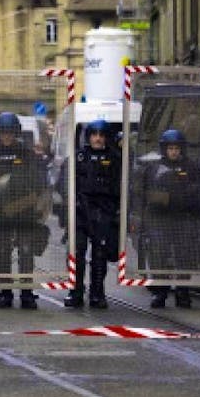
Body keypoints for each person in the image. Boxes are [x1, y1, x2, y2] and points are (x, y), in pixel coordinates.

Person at [0, 112, 50, 309]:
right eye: (3, 133)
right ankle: (5, 292)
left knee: (26, 252)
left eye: (10, 132)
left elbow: (38, 180)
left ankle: (26, 292)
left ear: (16, 133)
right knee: (3, 252)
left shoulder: (26, 154)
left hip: (24, 210)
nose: (7, 137)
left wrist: (35, 204)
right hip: (0, 211)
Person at [134, 129, 200, 309]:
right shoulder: (154, 168)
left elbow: (197, 193)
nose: (173, 152)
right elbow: (147, 194)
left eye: (176, 148)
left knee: (184, 256)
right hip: (160, 220)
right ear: (164, 149)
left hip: (183, 219)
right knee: (159, 256)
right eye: (170, 148)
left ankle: (183, 292)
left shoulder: (192, 168)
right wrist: (170, 198)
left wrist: (172, 198)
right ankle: (160, 292)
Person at [64, 120, 120, 309]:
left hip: (103, 213)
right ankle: (76, 291)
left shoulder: (115, 158)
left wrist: (115, 212)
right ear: (88, 136)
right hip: (81, 212)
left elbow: (120, 187)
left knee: (99, 255)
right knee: (77, 253)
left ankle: (97, 293)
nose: (97, 138)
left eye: (101, 135)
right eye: (94, 134)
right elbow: (64, 184)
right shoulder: (79, 157)